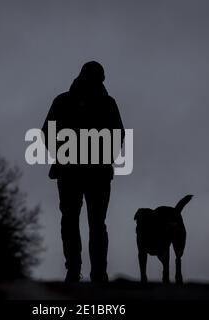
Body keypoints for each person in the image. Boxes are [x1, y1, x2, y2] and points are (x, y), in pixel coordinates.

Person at [42, 61, 125, 282]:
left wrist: (62, 155)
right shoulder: (101, 102)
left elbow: (118, 136)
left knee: (83, 222)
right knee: (84, 222)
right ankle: (87, 271)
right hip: (83, 172)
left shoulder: (70, 101)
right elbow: (47, 132)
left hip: (83, 172)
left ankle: (86, 271)